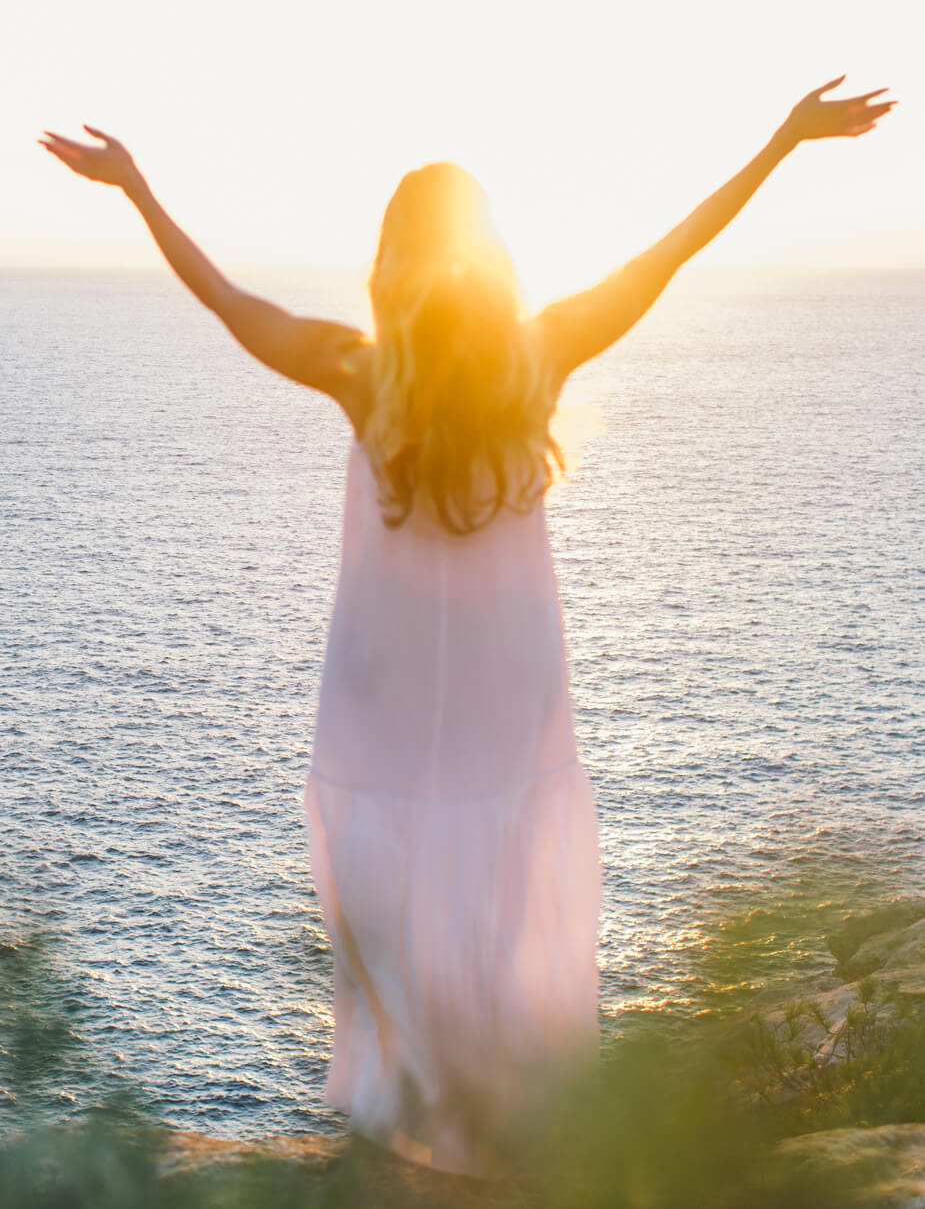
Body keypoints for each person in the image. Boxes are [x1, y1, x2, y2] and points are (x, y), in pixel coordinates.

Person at [40, 75, 895, 1176]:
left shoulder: (362, 374)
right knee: (507, 930)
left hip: (387, 735)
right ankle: (500, 1145)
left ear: (389, 264)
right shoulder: (534, 358)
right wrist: (781, 140)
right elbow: (669, 252)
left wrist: (138, 190)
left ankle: (411, 1134)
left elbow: (224, 297)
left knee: (408, 935)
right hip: (508, 727)